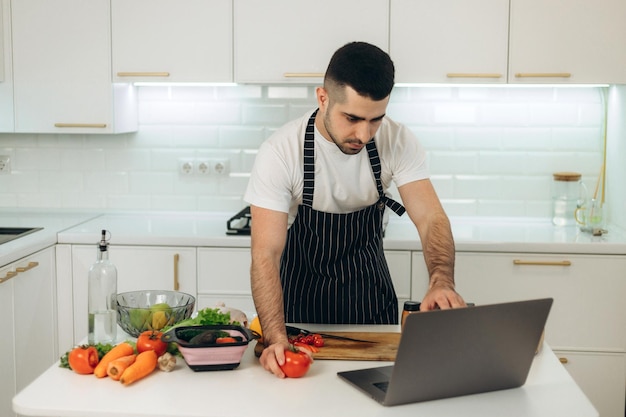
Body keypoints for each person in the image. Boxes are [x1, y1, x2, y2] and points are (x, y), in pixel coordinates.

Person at [244, 41, 466, 378]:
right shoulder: (280, 152)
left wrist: (441, 281)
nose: (363, 134)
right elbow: (265, 254)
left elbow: (431, 218)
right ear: (323, 98)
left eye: (376, 120)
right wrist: (276, 337)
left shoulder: (398, 141)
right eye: (352, 118)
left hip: (371, 305)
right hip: (298, 313)